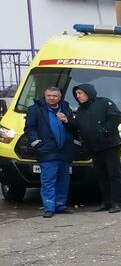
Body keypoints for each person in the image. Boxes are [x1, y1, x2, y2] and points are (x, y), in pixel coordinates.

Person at [70, 83, 121, 214]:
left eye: (80, 93)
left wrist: (105, 130)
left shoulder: (104, 103)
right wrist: (67, 121)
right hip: (94, 147)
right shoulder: (81, 110)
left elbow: (117, 117)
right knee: (101, 175)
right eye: (76, 94)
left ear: (88, 92)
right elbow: (77, 125)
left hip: (110, 145)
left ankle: (117, 202)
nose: (78, 96)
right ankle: (106, 202)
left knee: (114, 174)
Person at [24, 85, 77, 217]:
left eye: (55, 96)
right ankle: (49, 208)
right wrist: (38, 144)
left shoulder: (66, 108)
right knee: (48, 180)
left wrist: (67, 120)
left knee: (63, 180)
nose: (52, 98)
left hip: (64, 151)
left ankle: (60, 205)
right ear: (45, 96)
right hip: (47, 151)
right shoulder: (35, 109)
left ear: (59, 97)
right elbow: (30, 129)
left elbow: (73, 127)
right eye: (49, 96)